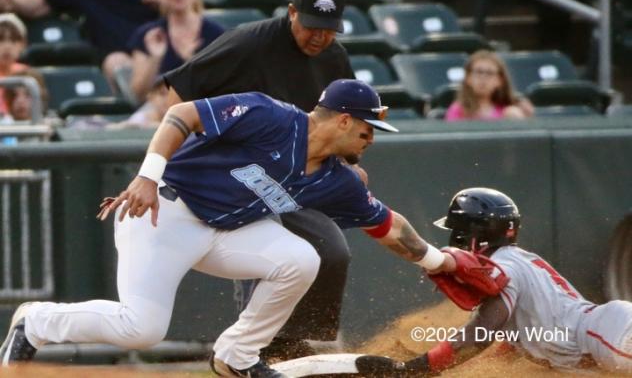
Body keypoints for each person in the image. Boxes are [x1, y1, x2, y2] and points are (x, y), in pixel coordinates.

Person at [0, 79, 460, 378]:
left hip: (227, 230)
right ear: (343, 120)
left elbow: (387, 225)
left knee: (301, 258)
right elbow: (180, 116)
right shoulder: (271, 115)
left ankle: (236, 357)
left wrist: (440, 261)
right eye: (367, 129)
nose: (371, 139)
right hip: (165, 211)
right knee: (142, 329)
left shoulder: (337, 178)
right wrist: (148, 174)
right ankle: (36, 322)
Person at [163, 0, 356, 359]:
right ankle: (254, 347)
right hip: (234, 170)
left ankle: (293, 341)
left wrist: (351, 163)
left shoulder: (334, 59)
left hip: (294, 176)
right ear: (291, 13)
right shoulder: (248, 43)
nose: (319, 37)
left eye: (329, 30)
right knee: (267, 251)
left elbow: (346, 121)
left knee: (333, 250)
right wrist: (175, 163)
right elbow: (181, 91)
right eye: (312, 27)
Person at [367, 187, 632, 376]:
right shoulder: (517, 259)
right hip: (608, 333)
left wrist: (414, 369)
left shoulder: (504, 269)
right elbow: (516, 338)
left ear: (470, 235)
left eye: (456, 231)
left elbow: (477, 337)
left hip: (608, 334)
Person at [0, 0, 164, 81]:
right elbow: (41, 3)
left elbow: (188, 10)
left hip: (159, 56)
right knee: (117, 63)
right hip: (114, 60)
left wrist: (166, 3)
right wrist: (11, 1)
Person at [127, 0, 224, 100]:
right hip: (157, 113)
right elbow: (138, 95)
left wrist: (189, 61)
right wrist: (155, 59)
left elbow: (221, 88)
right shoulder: (147, 34)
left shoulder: (217, 34)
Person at [445, 50, 534, 121]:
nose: (483, 78)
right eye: (478, 72)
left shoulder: (509, 110)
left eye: (489, 73)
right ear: (468, 78)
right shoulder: (458, 110)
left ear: (500, 80)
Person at [0, 13, 29, 116]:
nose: (7, 46)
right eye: (1, 40)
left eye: (13, 40)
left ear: (23, 44)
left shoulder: (28, 74)